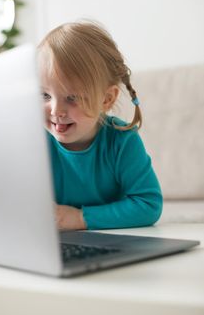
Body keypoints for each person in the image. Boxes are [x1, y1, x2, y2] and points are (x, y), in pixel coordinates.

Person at [38, 20, 163, 231]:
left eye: (72, 97)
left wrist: (79, 218)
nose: (56, 110)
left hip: (112, 239)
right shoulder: (34, 141)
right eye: (45, 95)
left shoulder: (122, 140)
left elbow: (148, 205)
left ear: (106, 99)